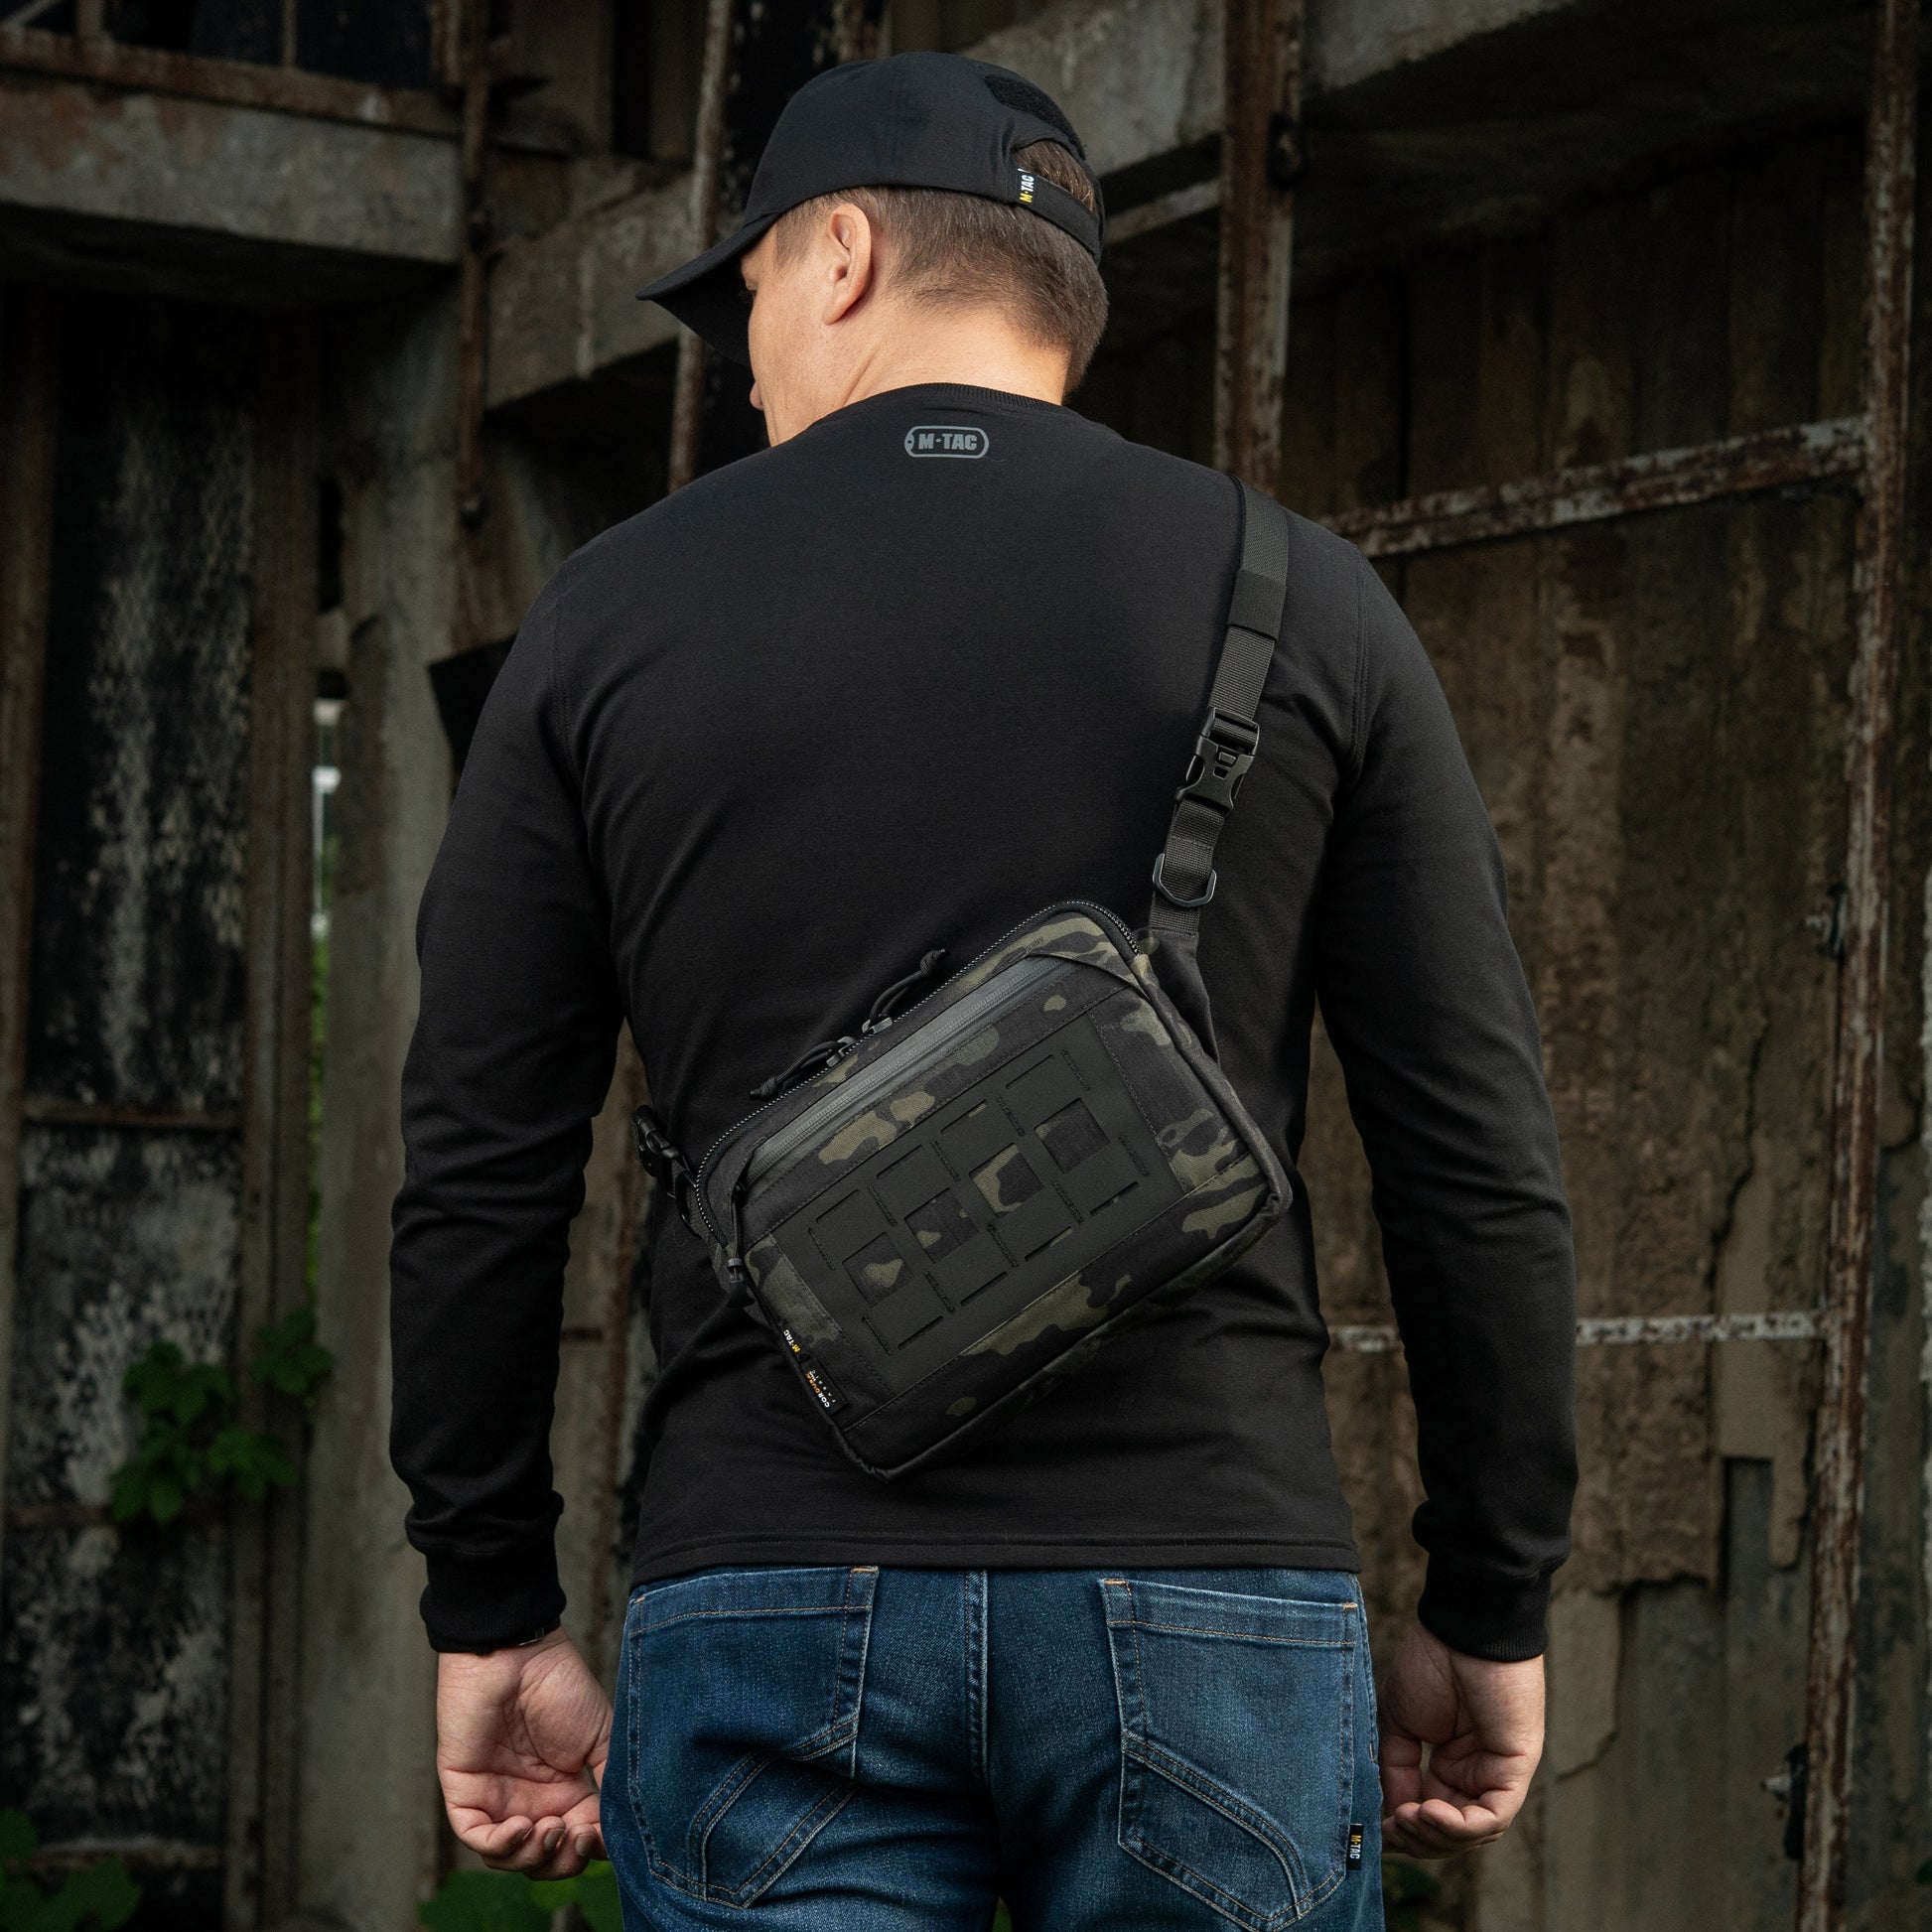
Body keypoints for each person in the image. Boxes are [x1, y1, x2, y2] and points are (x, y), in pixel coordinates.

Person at [390, 51, 1577, 1932]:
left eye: (747, 293)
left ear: (839, 253)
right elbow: (1476, 1158)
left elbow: (478, 1159)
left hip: (765, 1582)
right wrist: (1489, 1596)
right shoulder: (1305, 598)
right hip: (1209, 1583)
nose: (747, 365)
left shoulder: (605, 616)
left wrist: (489, 1603)